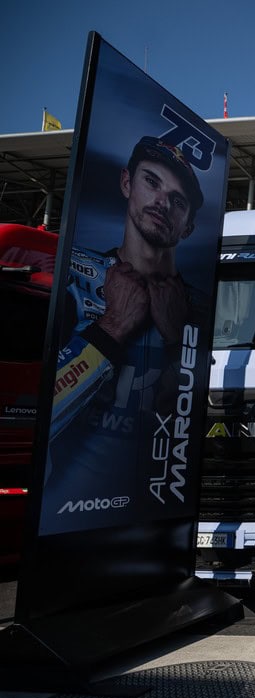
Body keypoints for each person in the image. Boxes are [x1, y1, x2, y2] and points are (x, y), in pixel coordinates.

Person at [45, 136, 204, 518]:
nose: (162, 202)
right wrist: (112, 327)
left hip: (152, 515)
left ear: (188, 227)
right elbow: (38, 412)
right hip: (64, 515)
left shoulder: (198, 308)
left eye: (178, 200)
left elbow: (188, 419)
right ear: (126, 183)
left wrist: (175, 342)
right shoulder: (72, 277)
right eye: (152, 181)